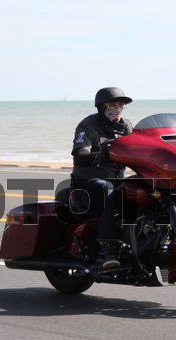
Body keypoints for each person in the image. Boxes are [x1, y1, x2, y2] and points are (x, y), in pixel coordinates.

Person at [71, 87, 133, 269]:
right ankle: (108, 247)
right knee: (107, 188)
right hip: (86, 184)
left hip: (116, 180)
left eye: (120, 106)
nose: (117, 109)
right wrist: (101, 154)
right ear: (101, 107)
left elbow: (140, 147)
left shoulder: (126, 126)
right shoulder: (88, 125)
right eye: (112, 105)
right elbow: (80, 155)